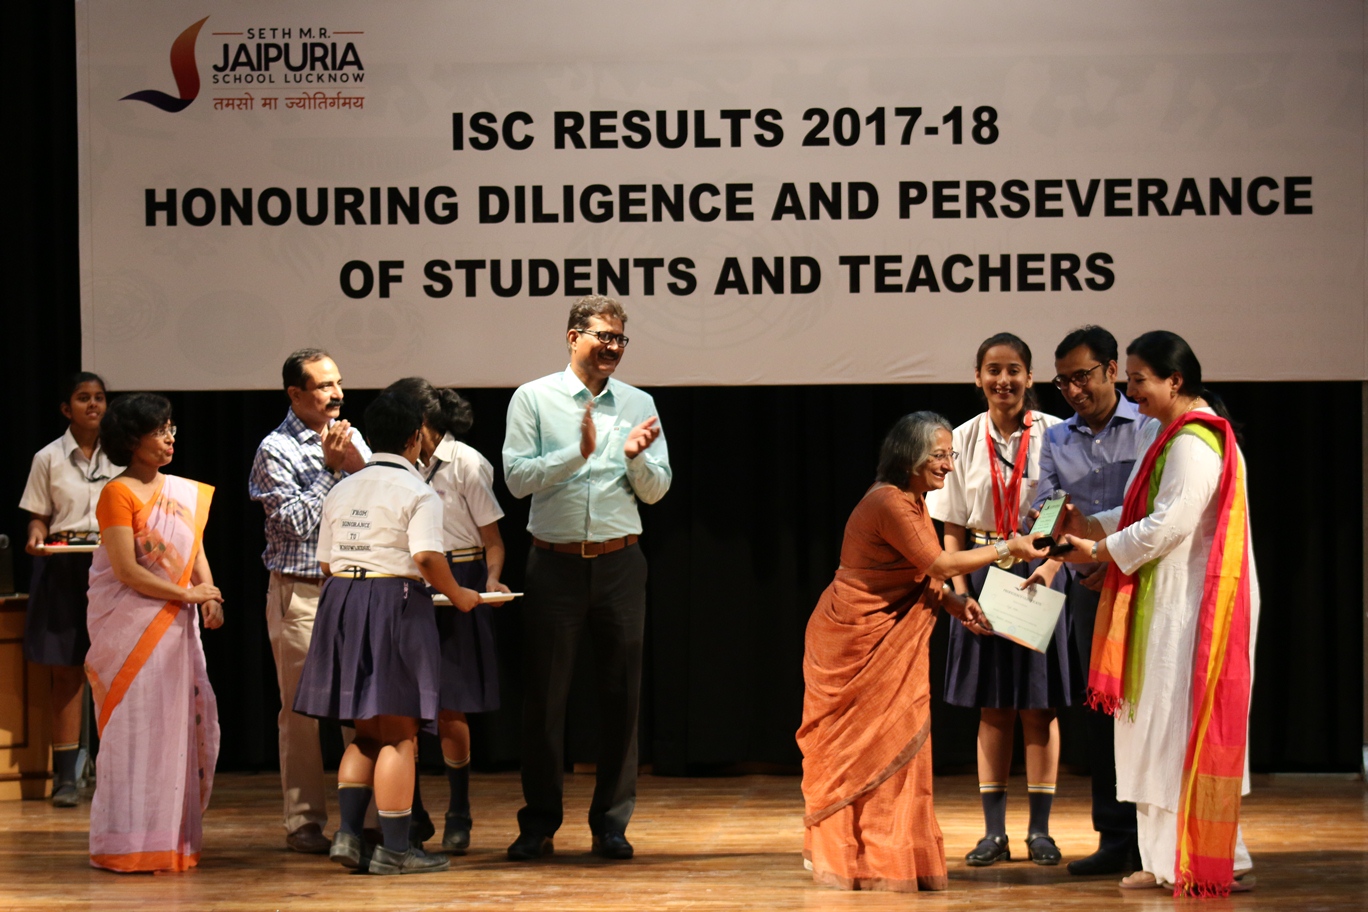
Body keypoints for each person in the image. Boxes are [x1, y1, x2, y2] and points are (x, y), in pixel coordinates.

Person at [799, 412, 1050, 893]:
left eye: (950, 455)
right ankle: (853, 855)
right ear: (909, 456)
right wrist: (1010, 548)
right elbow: (937, 562)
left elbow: (916, 572)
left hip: (886, 638)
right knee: (854, 752)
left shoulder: (913, 501)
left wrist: (953, 602)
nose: (949, 465)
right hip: (853, 640)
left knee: (895, 743)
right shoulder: (887, 503)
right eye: (939, 455)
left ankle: (888, 856)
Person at [1057, 331, 1259, 896]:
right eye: (1129, 379)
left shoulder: (1194, 441)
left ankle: (1213, 857)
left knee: (1179, 730)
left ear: (1175, 380)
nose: (1132, 391)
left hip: (1191, 609)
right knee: (1148, 730)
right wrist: (1089, 525)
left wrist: (1099, 549)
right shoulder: (1167, 434)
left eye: (1140, 380)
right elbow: (1140, 509)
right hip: (1162, 602)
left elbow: (1169, 524)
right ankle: (1162, 857)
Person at [502, 294, 671, 861]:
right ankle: (539, 823)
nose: (613, 347)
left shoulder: (639, 403)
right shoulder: (533, 398)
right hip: (554, 564)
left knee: (622, 697)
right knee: (545, 700)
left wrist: (634, 457)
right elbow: (517, 479)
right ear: (573, 337)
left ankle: (611, 823)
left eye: (620, 338)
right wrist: (577, 454)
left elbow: (657, 491)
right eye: (603, 336)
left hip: (621, 563)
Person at [293, 391, 486, 876]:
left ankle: (348, 836)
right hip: (392, 604)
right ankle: (397, 849)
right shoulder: (417, 491)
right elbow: (426, 557)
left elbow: (325, 562)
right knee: (399, 734)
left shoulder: (342, 488)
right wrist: (460, 595)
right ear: (415, 437)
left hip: (341, 602)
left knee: (365, 731)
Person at [925, 332, 1070, 866]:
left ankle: (1040, 832)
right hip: (982, 570)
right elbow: (952, 527)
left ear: (1029, 377)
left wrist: (1051, 569)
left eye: (1013, 370)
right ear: (978, 377)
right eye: (993, 370)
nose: (1003, 380)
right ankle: (993, 834)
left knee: (1038, 705)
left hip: (1041, 570)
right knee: (993, 707)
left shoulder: (1056, 433)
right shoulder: (961, 439)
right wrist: (960, 594)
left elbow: (1068, 511)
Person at [1022, 326, 1152, 875]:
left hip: (1142, 583)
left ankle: (1155, 836)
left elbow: (1153, 509)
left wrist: (1110, 556)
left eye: (1082, 377)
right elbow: (1046, 506)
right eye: (1063, 382)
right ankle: (1115, 836)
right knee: (1100, 711)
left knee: (1149, 707)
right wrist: (1051, 531)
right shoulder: (1057, 438)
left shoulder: (1148, 426)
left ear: (1111, 370)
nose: (1074, 391)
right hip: (1086, 590)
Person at [85, 394, 223, 872]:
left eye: (170, 429)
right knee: (135, 731)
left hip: (175, 627)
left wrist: (208, 595)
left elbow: (193, 548)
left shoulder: (180, 492)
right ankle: (124, 843)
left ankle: (170, 841)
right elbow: (126, 570)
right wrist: (187, 594)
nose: (169, 438)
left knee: (174, 730)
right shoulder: (117, 493)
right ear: (131, 440)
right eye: (159, 431)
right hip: (131, 627)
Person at [248, 348, 371, 853]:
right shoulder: (274, 449)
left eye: (338, 382)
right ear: (295, 394)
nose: (336, 393)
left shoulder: (351, 436)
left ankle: (364, 818)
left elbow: (377, 500)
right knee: (300, 711)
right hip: (300, 591)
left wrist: (357, 466)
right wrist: (329, 469)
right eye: (323, 386)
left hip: (355, 588)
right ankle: (303, 820)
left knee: (360, 707)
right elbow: (295, 523)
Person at [386, 378, 510, 854]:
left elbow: (493, 541)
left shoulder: (466, 463)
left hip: (460, 576)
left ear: (424, 422)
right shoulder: (397, 464)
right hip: (411, 578)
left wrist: (492, 579)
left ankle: (459, 810)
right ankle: (413, 811)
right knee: (405, 707)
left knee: (450, 704)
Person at [18, 372, 113, 807]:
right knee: (66, 671)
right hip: (62, 565)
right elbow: (38, 517)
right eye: (83, 398)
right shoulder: (48, 457)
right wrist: (36, 536)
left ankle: (115, 771)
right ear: (65, 408)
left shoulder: (123, 452)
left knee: (113, 670)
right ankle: (66, 779)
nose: (93, 405)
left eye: (99, 398)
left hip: (111, 565)